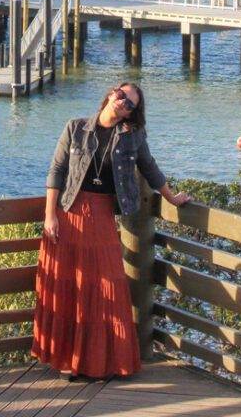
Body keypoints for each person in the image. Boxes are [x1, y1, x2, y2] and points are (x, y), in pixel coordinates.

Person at [32, 82, 190, 381]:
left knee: (108, 285)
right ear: (110, 93)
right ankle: (69, 361)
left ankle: (103, 362)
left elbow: (150, 168)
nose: (123, 104)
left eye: (131, 105)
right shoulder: (75, 128)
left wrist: (171, 197)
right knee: (71, 287)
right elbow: (57, 171)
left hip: (102, 215)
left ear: (132, 114)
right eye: (122, 96)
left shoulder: (132, 137)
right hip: (69, 214)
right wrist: (49, 215)